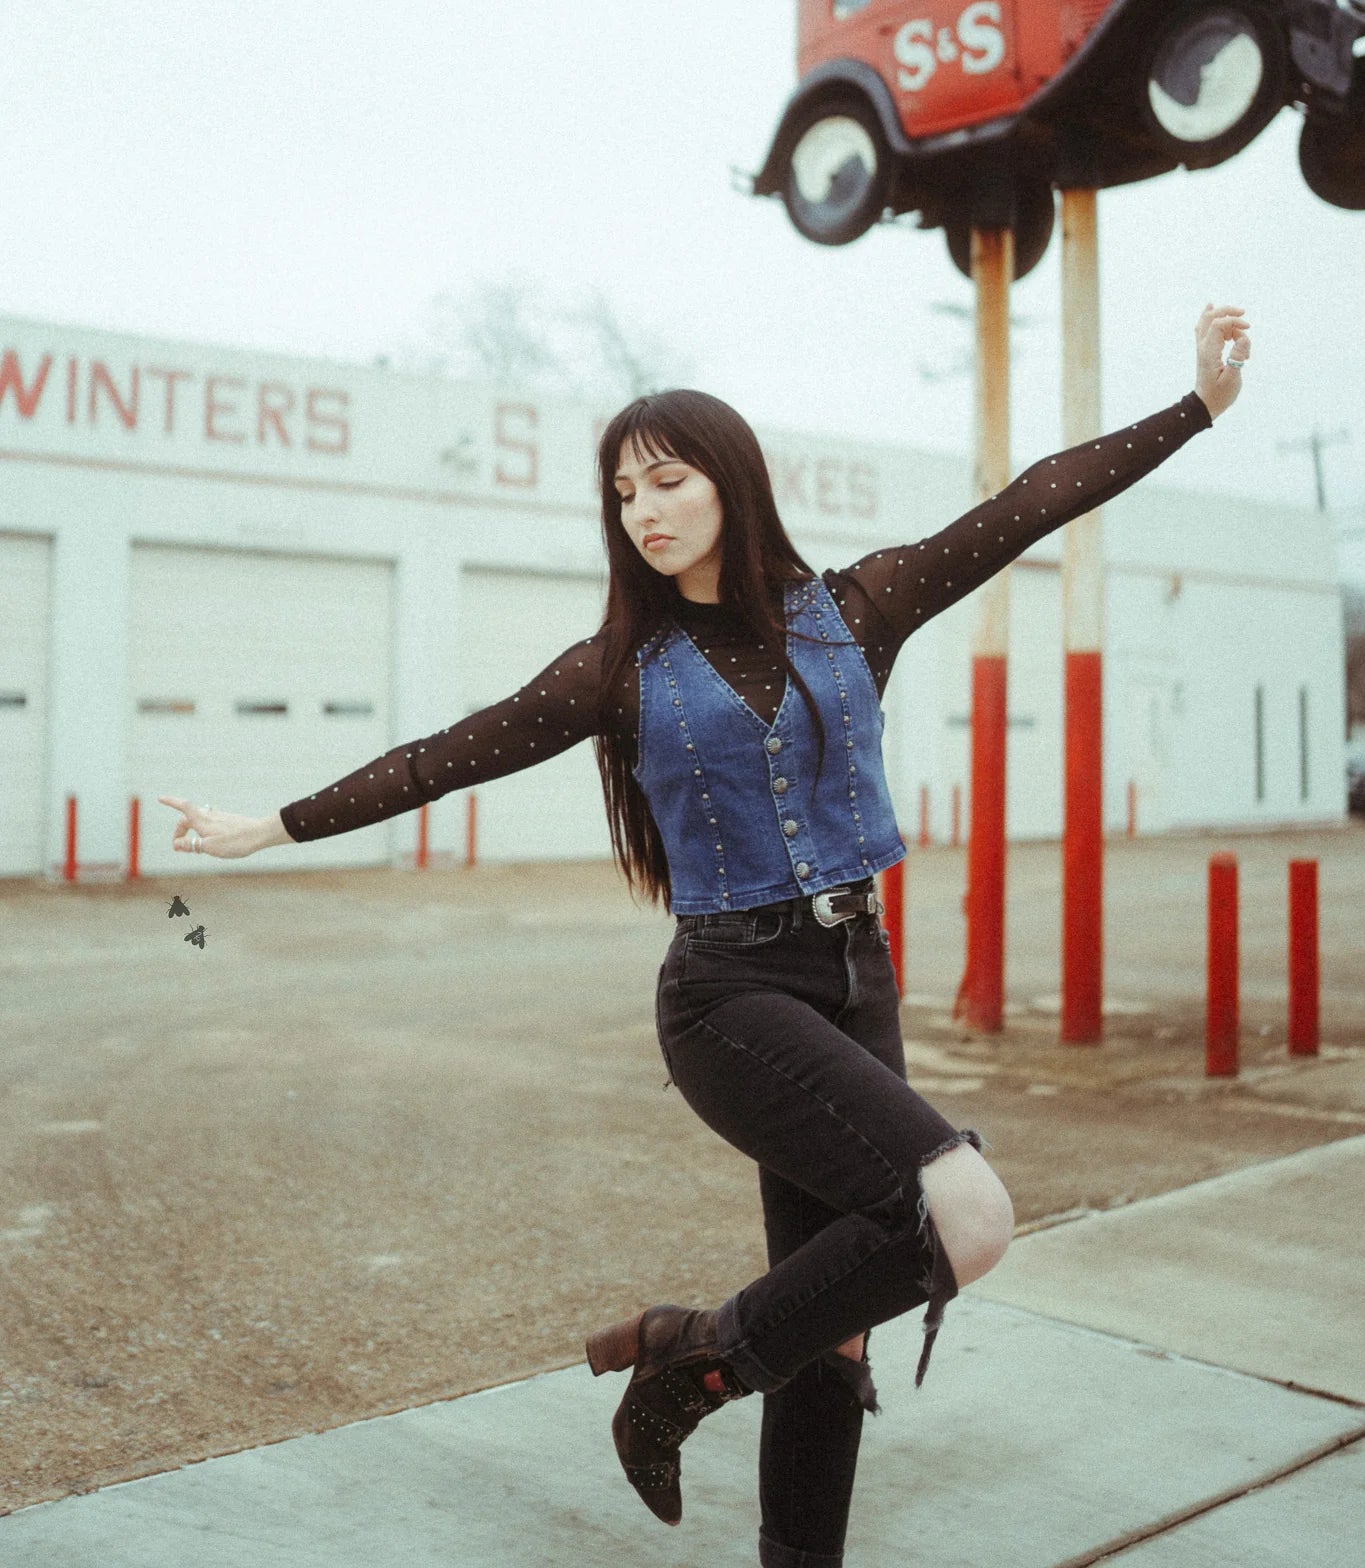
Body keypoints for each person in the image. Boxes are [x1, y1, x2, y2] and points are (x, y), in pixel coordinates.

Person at [161, 302, 1250, 1567]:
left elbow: (1028, 504)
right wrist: (268, 828)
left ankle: (782, 1518)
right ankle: (693, 1358)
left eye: (666, 478)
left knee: (837, 1320)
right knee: (969, 1212)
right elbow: (445, 754)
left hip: (859, 973)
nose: (643, 509)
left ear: (729, 479)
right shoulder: (620, 666)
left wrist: (1197, 410)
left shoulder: (859, 605)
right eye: (622, 492)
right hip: (731, 994)